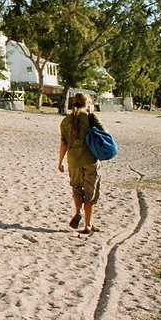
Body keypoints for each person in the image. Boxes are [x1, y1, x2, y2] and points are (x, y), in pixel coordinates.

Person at [57, 92, 101, 234]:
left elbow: (63, 144)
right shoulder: (90, 118)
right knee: (90, 193)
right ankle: (88, 225)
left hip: (73, 161)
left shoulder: (65, 121)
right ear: (86, 104)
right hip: (90, 160)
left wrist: (60, 162)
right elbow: (104, 134)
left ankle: (78, 211)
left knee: (76, 189)